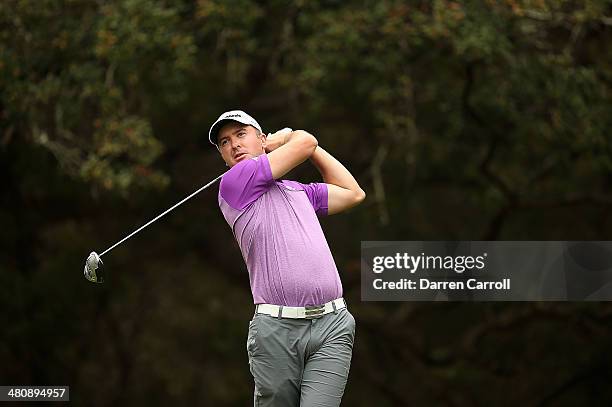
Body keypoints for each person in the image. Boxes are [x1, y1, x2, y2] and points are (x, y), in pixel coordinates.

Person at [208, 110, 366, 406]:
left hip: (332, 325)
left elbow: (353, 193)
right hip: (277, 332)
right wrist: (289, 138)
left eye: (241, 135)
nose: (234, 145)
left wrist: (312, 148)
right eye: (225, 142)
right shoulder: (234, 183)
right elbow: (304, 142)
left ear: (261, 139)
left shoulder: (298, 192)